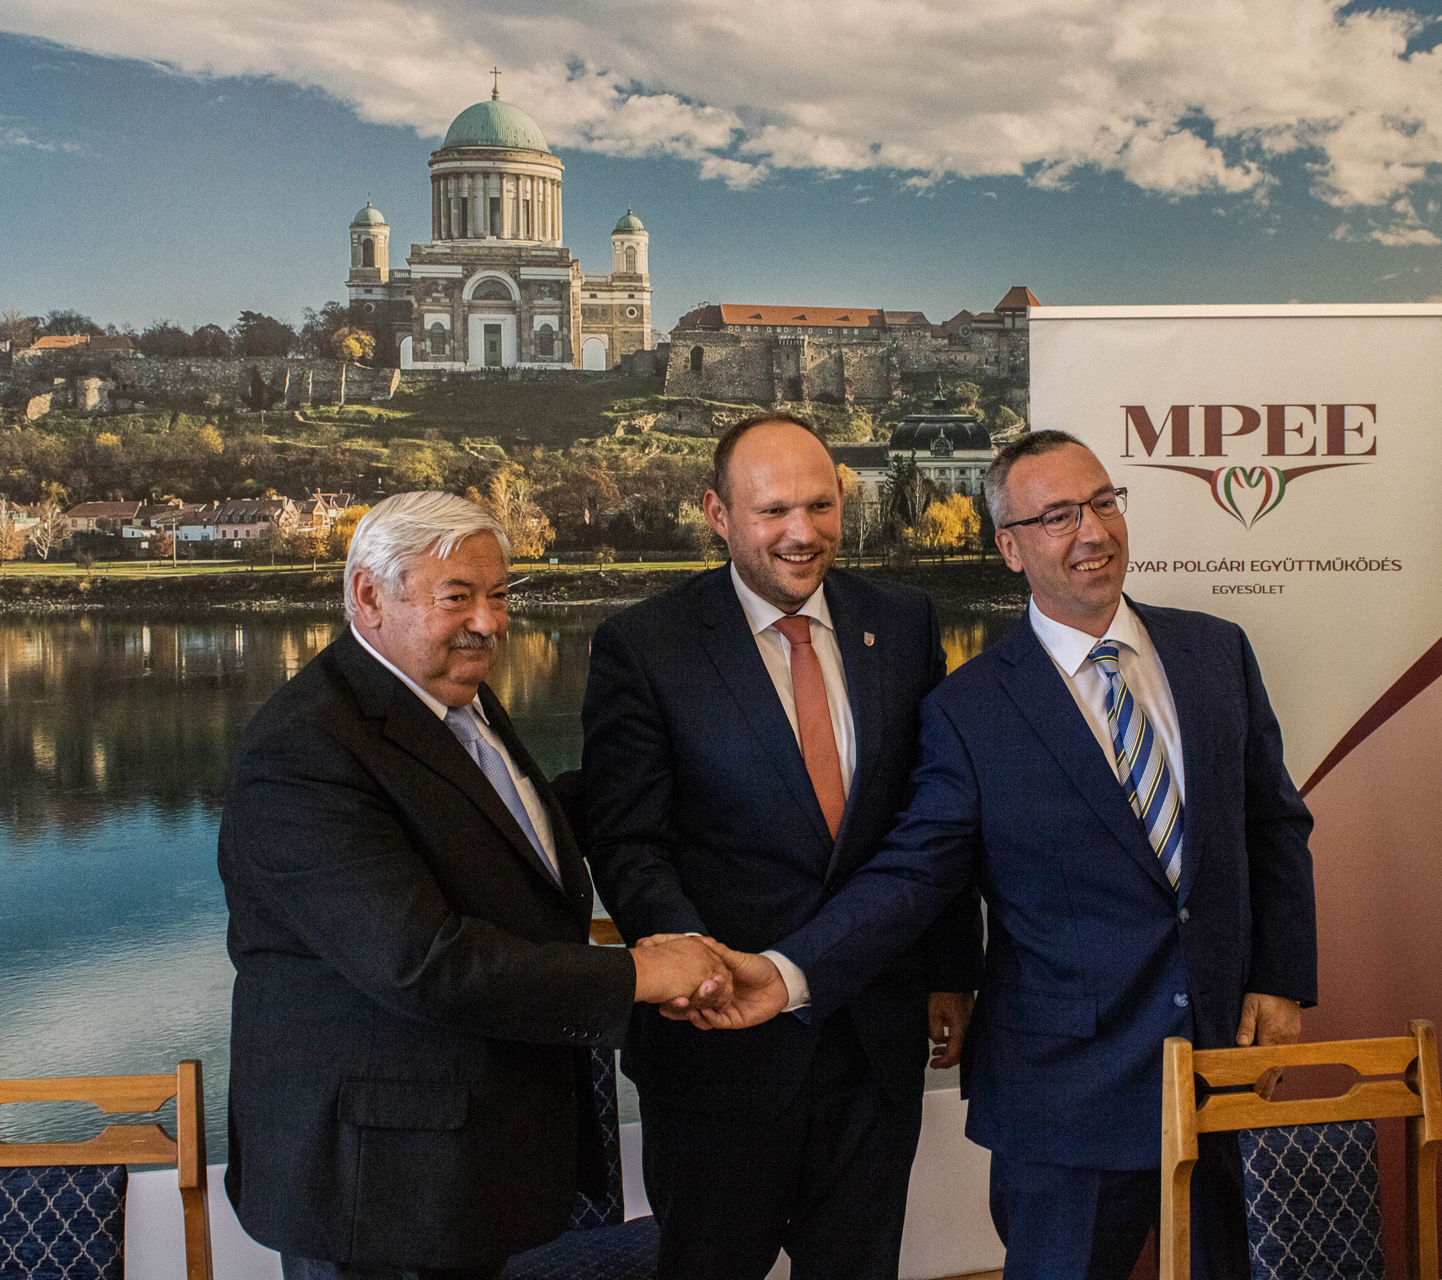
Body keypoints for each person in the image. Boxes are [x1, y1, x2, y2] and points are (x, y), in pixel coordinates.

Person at [689, 431, 1319, 1279]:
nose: (1092, 532)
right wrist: (788, 972)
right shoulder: (968, 710)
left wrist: (1279, 977)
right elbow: (914, 874)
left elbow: (1273, 826)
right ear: (1010, 548)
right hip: (1065, 1101)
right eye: (1057, 516)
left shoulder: (1217, 652)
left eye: (1102, 502)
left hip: (1222, 1067)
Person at [218, 490, 740, 1280]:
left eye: (498, 595)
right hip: (382, 1193)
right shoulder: (302, 751)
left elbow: (500, 838)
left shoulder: (451, 697)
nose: (489, 622)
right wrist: (642, 973)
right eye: (457, 596)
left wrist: (672, 771)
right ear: (369, 596)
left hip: (463, 1170)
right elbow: (425, 963)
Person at [579, 413, 983, 1280]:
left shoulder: (903, 622)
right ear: (718, 515)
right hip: (719, 1048)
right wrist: (692, 965)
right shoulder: (644, 646)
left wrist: (951, 969)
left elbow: (933, 821)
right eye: (773, 511)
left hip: (874, 1038)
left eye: (821, 505)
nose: (803, 533)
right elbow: (628, 840)